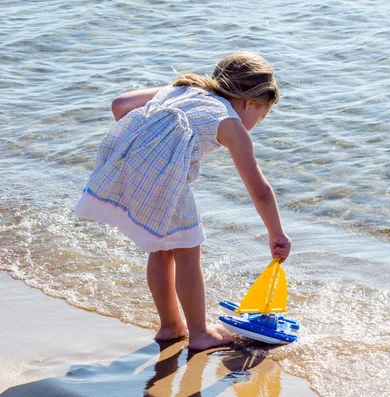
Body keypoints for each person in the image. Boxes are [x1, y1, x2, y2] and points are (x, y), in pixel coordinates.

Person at [74, 52, 292, 350]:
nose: (257, 122)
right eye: (261, 115)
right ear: (250, 101)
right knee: (188, 250)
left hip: (126, 167)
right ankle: (200, 333)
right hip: (162, 178)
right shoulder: (230, 123)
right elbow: (260, 191)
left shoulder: (185, 88)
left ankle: (171, 326)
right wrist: (276, 234)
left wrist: (149, 142)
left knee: (161, 247)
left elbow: (120, 105)